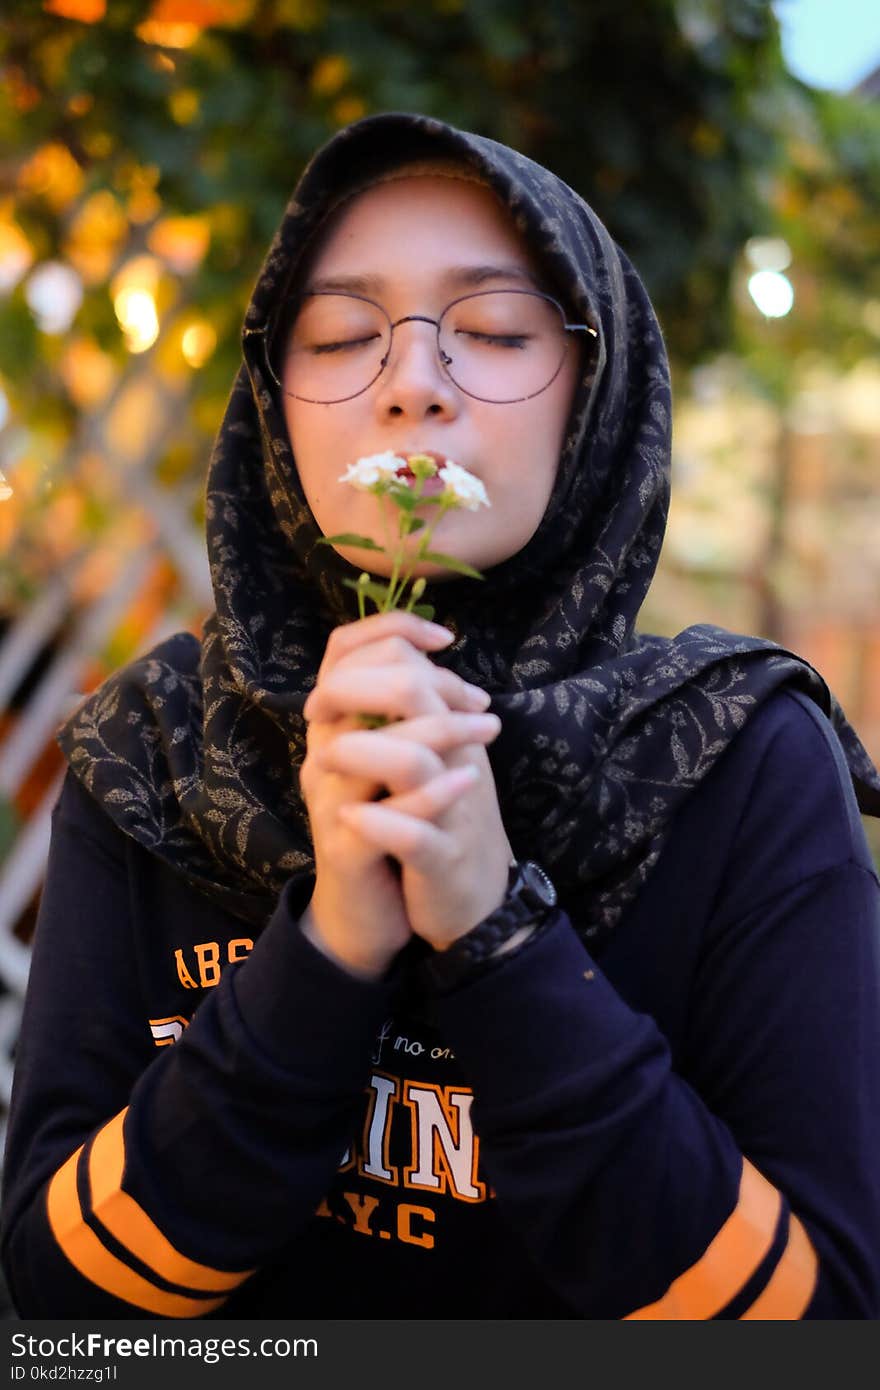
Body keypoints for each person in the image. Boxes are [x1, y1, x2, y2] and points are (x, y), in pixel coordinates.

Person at [2, 110, 879, 1321]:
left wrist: (496, 931)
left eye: (494, 331)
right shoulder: (152, 753)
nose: (412, 383)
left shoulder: (735, 760)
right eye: (342, 334)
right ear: (273, 398)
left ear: (596, 389)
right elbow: (60, 1311)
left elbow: (825, 1319)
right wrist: (322, 955)